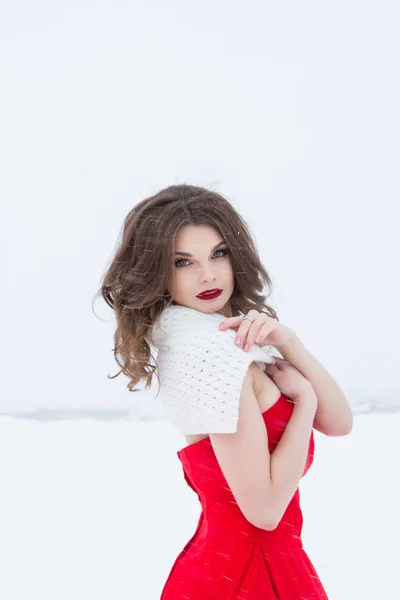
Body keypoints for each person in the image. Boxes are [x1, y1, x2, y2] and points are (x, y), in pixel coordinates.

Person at [95, 183, 352, 599]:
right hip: (250, 573)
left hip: (243, 567)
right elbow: (265, 512)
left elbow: (340, 423)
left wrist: (290, 343)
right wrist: (302, 402)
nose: (208, 275)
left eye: (218, 253)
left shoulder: (227, 340)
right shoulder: (213, 356)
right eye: (183, 262)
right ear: (157, 272)